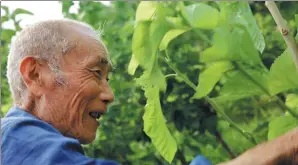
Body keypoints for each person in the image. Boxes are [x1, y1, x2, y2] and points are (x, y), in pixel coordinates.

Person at [2, 18, 298, 165]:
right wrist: (286, 145)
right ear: (36, 74)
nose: (110, 94)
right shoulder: (16, 143)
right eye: (95, 72)